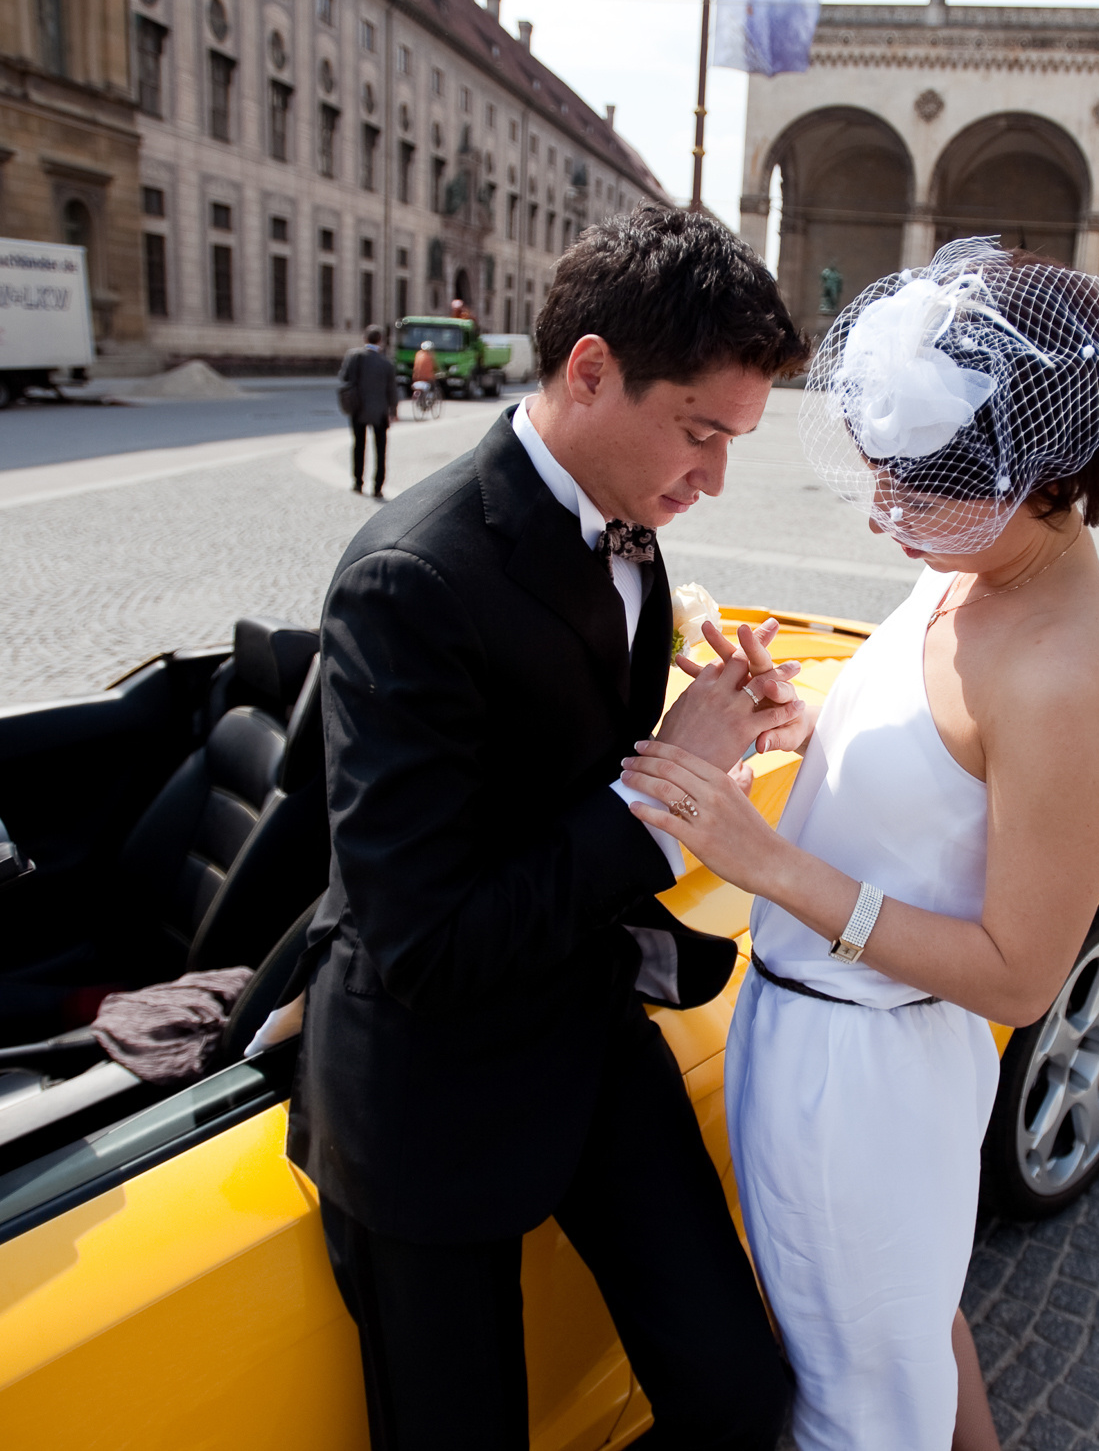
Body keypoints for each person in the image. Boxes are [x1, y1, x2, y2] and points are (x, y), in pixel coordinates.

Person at [287, 208, 810, 1451]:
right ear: (589, 371)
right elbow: (425, 940)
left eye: (735, 441)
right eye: (700, 432)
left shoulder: (632, 526)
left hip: (583, 1031)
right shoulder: (409, 579)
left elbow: (583, 742)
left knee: (737, 1387)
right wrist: (658, 790)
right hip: (431, 1083)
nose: (714, 477)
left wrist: (715, 724)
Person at [619, 238, 1099, 1451]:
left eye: (918, 485)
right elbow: (938, 770)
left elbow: (1021, 972)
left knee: (854, 1393)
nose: (882, 510)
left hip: (870, 1074)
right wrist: (803, 719)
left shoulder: (1062, 659)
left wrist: (772, 864)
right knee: (905, 1330)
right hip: (819, 1033)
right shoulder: (983, 560)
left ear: (1042, 465)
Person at [337, 325, 402, 498]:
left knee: (359, 446)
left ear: (365, 339)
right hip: (380, 412)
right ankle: (377, 487)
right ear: (380, 340)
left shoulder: (353, 356)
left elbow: (343, 378)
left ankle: (358, 482)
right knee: (380, 450)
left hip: (358, 409)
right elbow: (392, 390)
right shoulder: (386, 363)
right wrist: (393, 411)